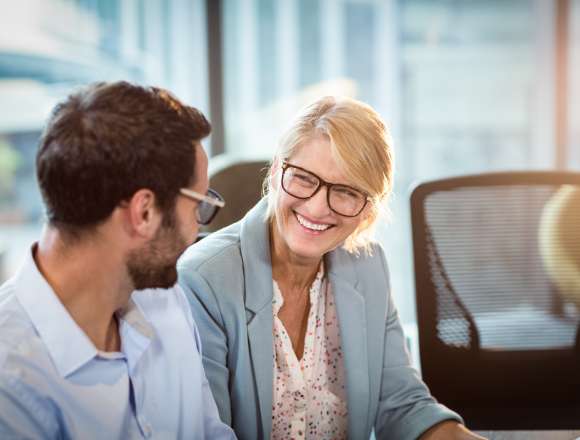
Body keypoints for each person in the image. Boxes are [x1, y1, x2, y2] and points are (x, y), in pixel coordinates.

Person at [178, 96, 484, 439]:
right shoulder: (204, 280)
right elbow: (206, 434)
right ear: (278, 168)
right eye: (305, 178)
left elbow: (402, 405)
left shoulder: (367, 267)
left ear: (368, 209)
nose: (318, 207)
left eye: (345, 191)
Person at [0, 82, 235, 439]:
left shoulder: (164, 297)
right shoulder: (12, 383)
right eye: (198, 205)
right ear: (143, 212)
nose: (195, 229)